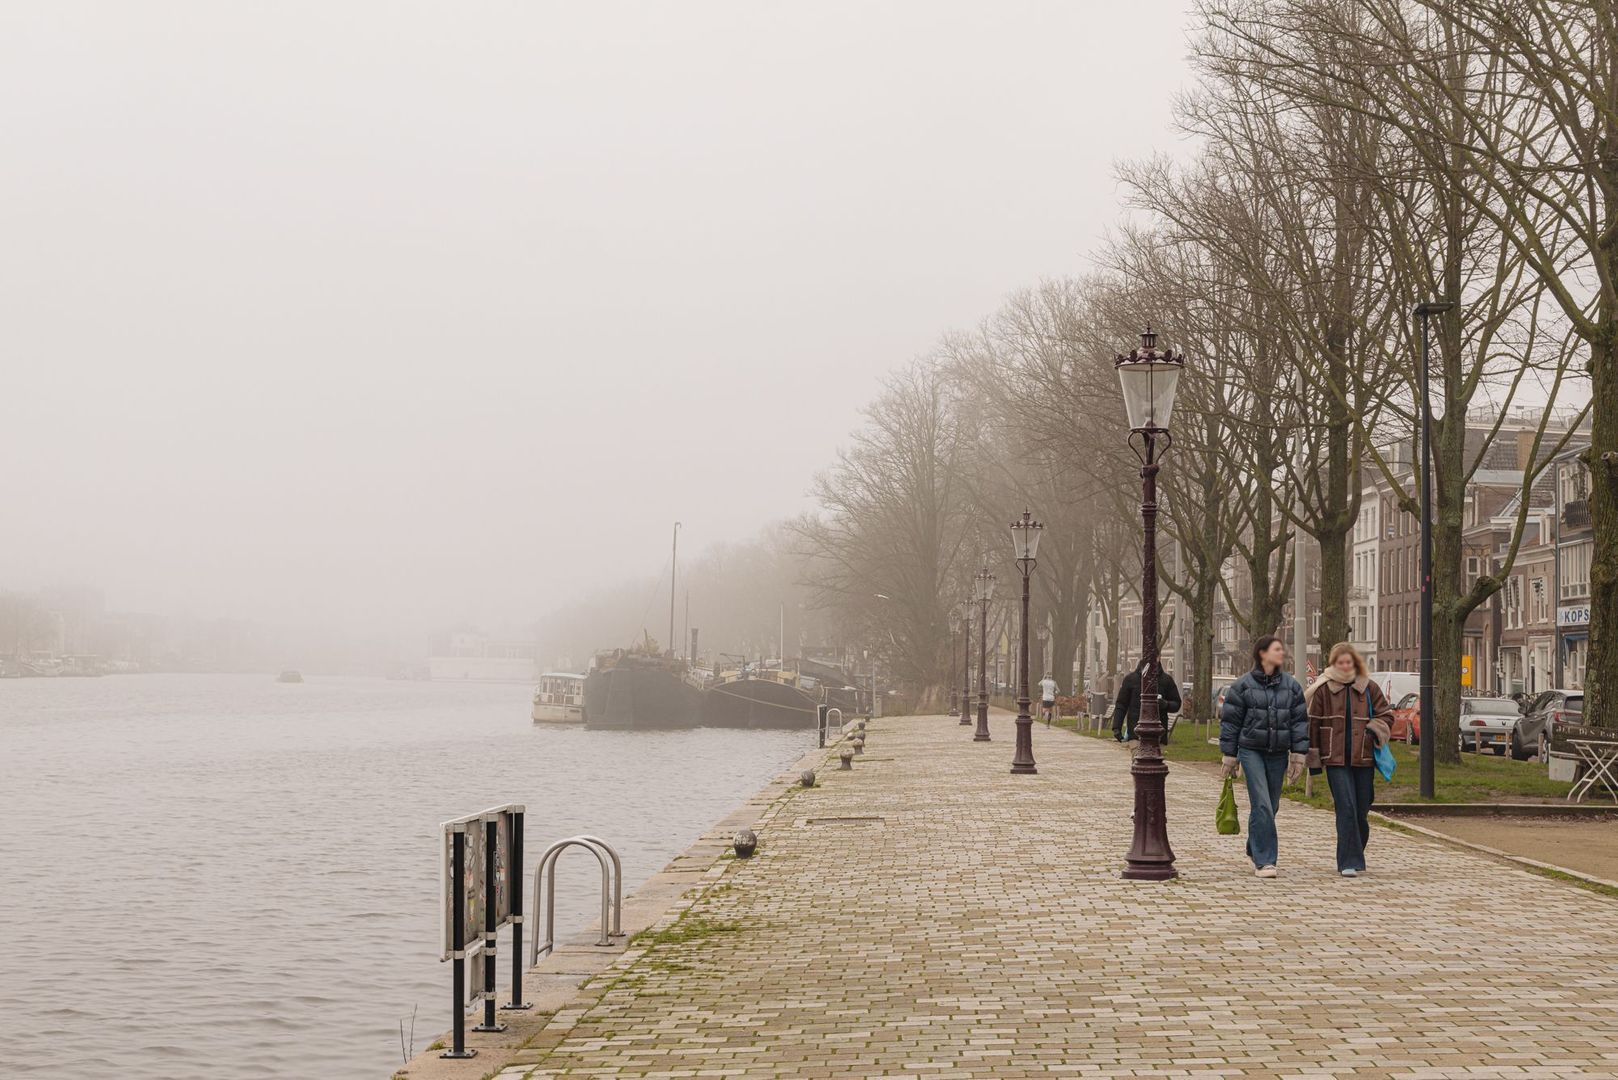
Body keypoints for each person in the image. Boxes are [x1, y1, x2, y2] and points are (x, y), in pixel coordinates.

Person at [1219, 635, 1308, 879]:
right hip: (1251, 750)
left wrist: (1298, 755)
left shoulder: (1292, 687)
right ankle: (1265, 860)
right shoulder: (1243, 686)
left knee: (1272, 805)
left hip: (1278, 752)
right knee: (1261, 804)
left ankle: (1253, 845)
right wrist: (1230, 755)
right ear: (1262, 653)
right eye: (1277, 649)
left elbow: (1299, 722)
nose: (1283, 652)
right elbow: (1230, 722)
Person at [1306, 642, 1392, 878]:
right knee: (1345, 807)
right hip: (1335, 759)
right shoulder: (1323, 690)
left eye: (1348, 662)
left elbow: (1386, 714)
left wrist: (1374, 730)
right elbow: (1313, 722)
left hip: (1363, 758)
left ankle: (1355, 850)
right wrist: (1313, 762)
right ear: (1333, 664)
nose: (1345, 666)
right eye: (1340, 662)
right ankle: (1348, 861)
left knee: (1361, 810)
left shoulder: (1369, 687)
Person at [1112, 659, 1182, 742]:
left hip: (1158, 735)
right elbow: (1121, 704)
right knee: (1137, 753)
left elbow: (1176, 703)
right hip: (1136, 733)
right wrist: (1116, 727)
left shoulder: (1166, 680)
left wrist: (1165, 704)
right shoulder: (1130, 680)